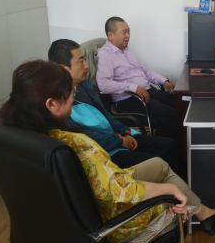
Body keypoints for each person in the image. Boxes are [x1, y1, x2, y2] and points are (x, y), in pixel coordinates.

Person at [0, 60, 215, 243]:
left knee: (159, 165)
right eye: (70, 93)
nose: (73, 96)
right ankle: (186, 232)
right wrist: (170, 190)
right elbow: (119, 190)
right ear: (52, 104)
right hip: (111, 222)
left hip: (74, 217)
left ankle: (199, 219)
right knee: (171, 194)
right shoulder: (78, 144)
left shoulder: (26, 137)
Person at [49, 39, 178, 170]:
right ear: (62, 68)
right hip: (104, 151)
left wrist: (124, 132)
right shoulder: (59, 104)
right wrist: (120, 141)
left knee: (169, 145)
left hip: (116, 137)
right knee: (157, 162)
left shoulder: (85, 86)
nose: (87, 66)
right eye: (81, 61)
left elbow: (105, 114)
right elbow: (84, 137)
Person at [97, 17, 177, 139]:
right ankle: (161, 146)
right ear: (110, 34)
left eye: (129, 31)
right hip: (128, 99)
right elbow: (103, 84)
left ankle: (178, 141)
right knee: (171, 115)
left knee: (179, 102)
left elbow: (144, 70)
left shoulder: (126, 50)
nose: (128, 36)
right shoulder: (105, 54)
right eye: (124, 32)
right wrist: (134, 88)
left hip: (146, 91)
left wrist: (163, 81)